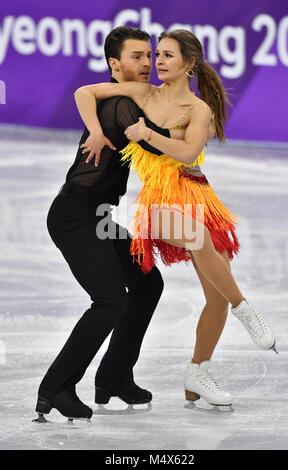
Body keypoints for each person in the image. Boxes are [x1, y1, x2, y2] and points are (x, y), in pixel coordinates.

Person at [75, 29, 278, 408]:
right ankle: (246, 310)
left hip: (200, 194)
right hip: (159, 201)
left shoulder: (200, 110)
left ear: (189, 64)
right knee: (198, 238)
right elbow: (84, 93)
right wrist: (98, 131)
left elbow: (188, 154)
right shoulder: (142, 94)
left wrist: (147, 134)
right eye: (157, 54)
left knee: (214, 297)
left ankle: (197, 372)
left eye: (167, 55)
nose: (157, 62)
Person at [33, 26, 183, 423]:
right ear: (115, 66)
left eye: (150, 55)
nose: (148, 63)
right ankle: (56, 387)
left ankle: (114, 377)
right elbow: (164, 146)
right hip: (75, 215)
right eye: (137, 56)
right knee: (110, 299)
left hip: (98, 215)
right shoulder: (121, 105)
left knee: (147, 282)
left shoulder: (131, 99)